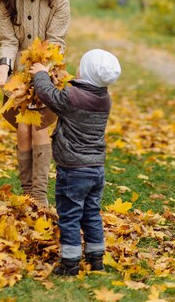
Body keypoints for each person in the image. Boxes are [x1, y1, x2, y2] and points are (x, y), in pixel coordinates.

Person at [0, 0, 70, 205]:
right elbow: (8, 40)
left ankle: (40, 197)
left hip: (48, 69)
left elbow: (56, 38)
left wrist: (42, 70)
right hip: (19, 75)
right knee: (23, 129)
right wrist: (4, 66)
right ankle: (27, 194)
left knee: (39, 127)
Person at [29, 48, 121, 275]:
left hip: (73, 170)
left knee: (69, 216)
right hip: (96, 169)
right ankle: (96, 257)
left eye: (81, 66)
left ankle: (70, 263)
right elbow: (67, 95)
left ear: (87, 73)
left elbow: (48, 95)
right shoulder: (104, 99)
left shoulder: (73, 98)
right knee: (91, 213)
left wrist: (40, 73)